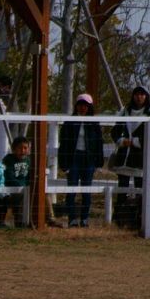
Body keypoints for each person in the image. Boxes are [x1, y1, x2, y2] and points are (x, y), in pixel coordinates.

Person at [110, 85, 150, 230]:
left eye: (142, 94)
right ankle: (119, 219)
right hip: (124, 158)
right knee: (122, 189)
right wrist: (121, 141)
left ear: (146, 96)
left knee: (140, 190)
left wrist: (135, 142)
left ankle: (139, 219)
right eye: (137, 94)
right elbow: (115, 131)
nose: (139, 97)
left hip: (140, 159)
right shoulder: (125, 112)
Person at [58, 93, 104, 228]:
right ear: (76, 106)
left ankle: (84, 219)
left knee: (86, 190)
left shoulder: (94, 123)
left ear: (90, 107)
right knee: (71, 189)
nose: (83, 107)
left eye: (85, 105)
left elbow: (99, 143)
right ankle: (72, 219)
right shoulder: (69, 122)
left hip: (88, 159)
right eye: (80, 105)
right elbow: (63, 144)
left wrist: (98, 162)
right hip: (73, 158)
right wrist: (63, 163)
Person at [0, 135, 32, 227]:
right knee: (22, 195)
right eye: (20, 148)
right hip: (11, 191)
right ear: (14, 149)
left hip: (26, 189)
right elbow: (9, 177)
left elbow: (30, 176)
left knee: (43, 193)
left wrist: (29, 186)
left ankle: (50, 218)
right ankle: (20, 223)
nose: (23, 151)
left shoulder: (29, 160)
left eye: (25, 148)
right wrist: (24, 187)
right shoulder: (8, 160)